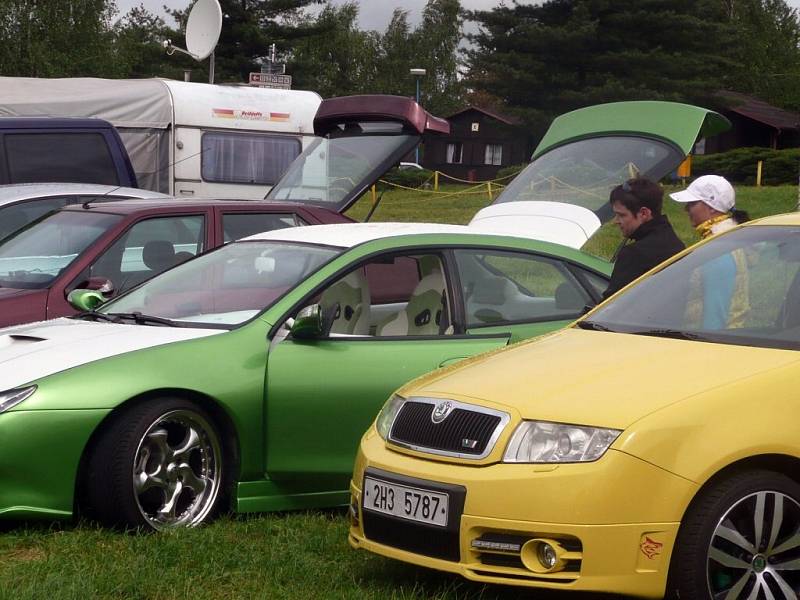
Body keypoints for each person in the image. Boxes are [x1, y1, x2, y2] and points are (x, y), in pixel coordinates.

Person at [670, 174, 750, 329]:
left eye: (692, 203)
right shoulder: (728, 235)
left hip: (712, 343)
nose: (686, 209)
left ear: (711, 207)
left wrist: (705, 346)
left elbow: (715, 314)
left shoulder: (719, 247)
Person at [602, 177, 685, 299]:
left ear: (644, 213)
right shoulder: (677, 244)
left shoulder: (635, 253)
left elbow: (611, 303)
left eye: (621, 215)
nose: (616, 221)